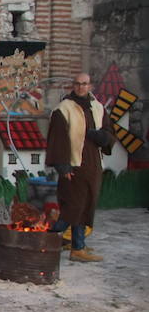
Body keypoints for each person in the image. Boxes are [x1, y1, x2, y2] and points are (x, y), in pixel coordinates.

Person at [46, 72, 113, 263]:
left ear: (90, 86)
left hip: (93, 164)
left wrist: (102, 137)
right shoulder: (64, 109)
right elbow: (57, 138)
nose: (81, 87)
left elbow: (109, 130)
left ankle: (76, 244)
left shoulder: (98, 107)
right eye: (77, 84)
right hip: (74, 165)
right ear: (73, 86)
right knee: (72, 206)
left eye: (84, 84)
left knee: (86, 206)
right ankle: (53, 238)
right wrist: (62, 166)